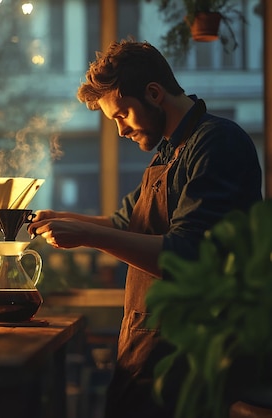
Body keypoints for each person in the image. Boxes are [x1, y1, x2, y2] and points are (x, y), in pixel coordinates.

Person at [27, 40, 263, 418]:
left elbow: (188, 255)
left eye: (122, 115)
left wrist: (85, 235)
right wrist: (62, 218)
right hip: (148, 343)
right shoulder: (169, 152)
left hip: (190, 357)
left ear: (154, 94)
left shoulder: (217, 143)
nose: (120, 131)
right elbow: (124, 223)